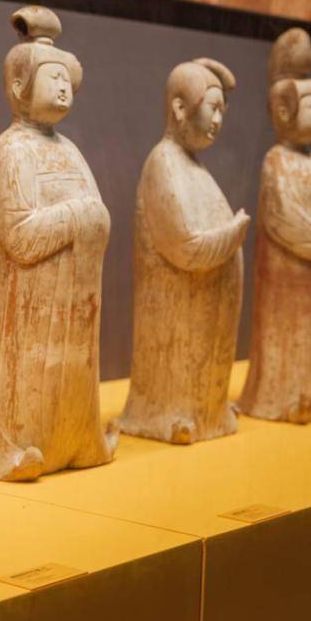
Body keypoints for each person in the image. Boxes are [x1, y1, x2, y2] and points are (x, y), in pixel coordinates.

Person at [0, 6, 116, 482]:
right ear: (19, 86)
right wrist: (78, 217)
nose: (63, 88)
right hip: (30, 304)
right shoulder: (12, 149)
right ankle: (13, 444)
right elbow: (20, 236)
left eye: (67, 80)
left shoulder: (70, 150)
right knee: (28, 371)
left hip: (75, 300)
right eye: (52, 77)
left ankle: (75, 438)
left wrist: (89, 219)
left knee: (71, 369)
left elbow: (98, 214)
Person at [116, 58, 247, 444]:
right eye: (213, 108)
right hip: (175, 309)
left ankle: (207, 409)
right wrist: (232, 234)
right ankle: (169, 412)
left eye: (223, 112)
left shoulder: (194, 167)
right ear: (179, 107)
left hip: (204, 313)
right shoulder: (163, 163)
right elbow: (186, 246)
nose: (219, 120)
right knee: (175, 356)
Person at [239, 28, 311, 423]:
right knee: (287, 333)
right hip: (287, 275)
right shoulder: (276, 161)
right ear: (284, 113)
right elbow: (282, 217)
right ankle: (284, 397)